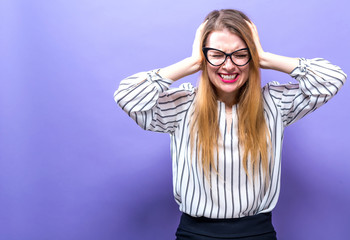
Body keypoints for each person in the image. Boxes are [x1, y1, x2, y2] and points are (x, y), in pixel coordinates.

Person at [114, 9, 346, 240]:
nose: (228, 66)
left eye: (240, 54)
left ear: (251, 56)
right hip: (194, 235)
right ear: (203, 56)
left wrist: (264, 58)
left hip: (257, 234)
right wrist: (191, 62)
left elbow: (332, 79)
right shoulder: (182, 106)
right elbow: (127, 97)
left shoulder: (275, 103)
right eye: (216, 54)